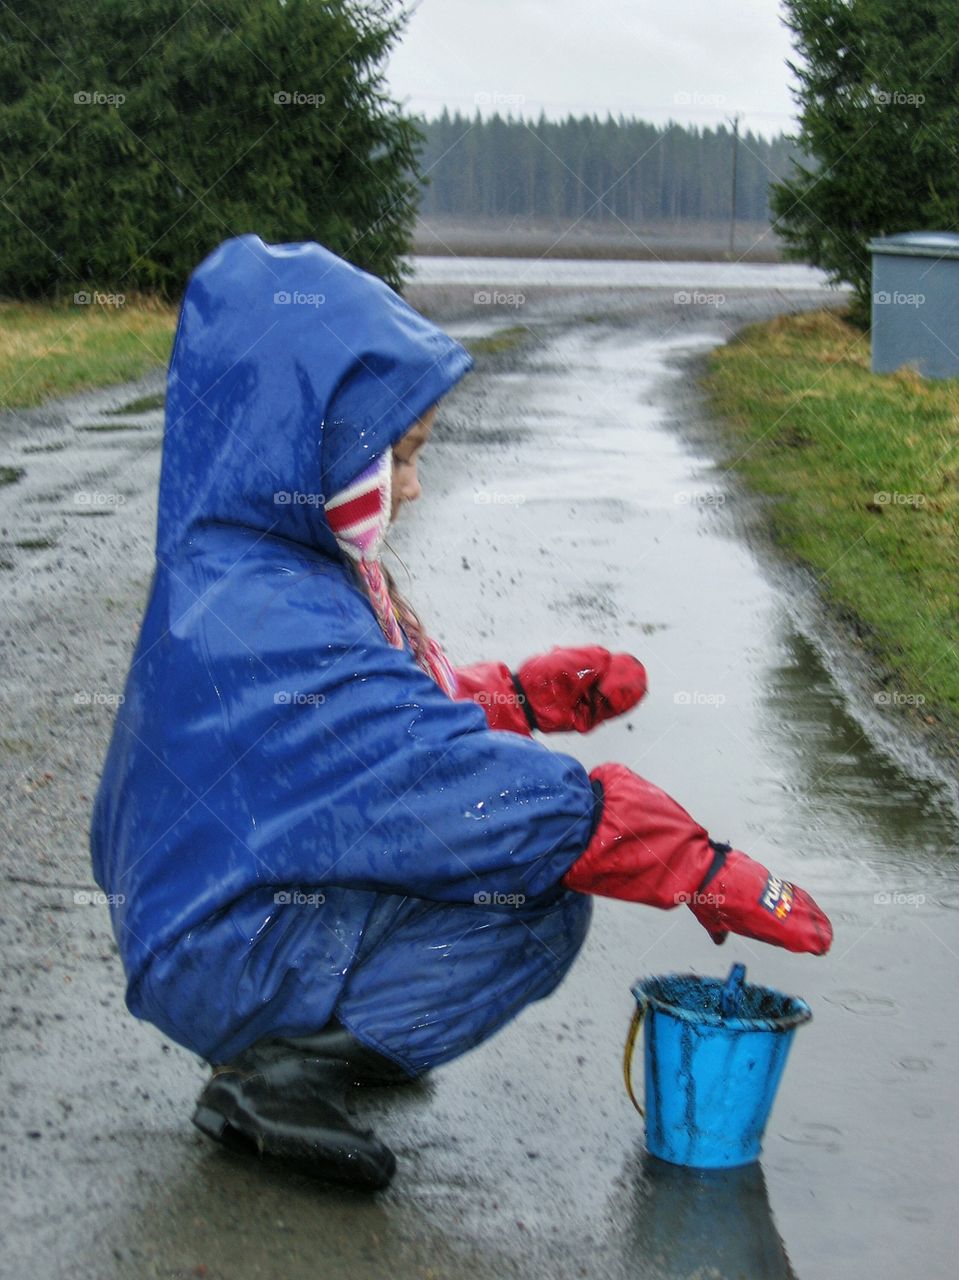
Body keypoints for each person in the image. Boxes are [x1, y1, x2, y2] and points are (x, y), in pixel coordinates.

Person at [90, 234, 832, 1192]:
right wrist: (682, 858)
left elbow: (371, 730)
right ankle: (279, 1077)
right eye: (396, 458)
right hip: (211, 939)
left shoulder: (256, 563)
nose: (412, 487)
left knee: (502, 863)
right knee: (533, 902)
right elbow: (428, 779)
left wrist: (519, 695)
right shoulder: (265, 614)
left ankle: (325, 1044)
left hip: (210, 905)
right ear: (306, 438)